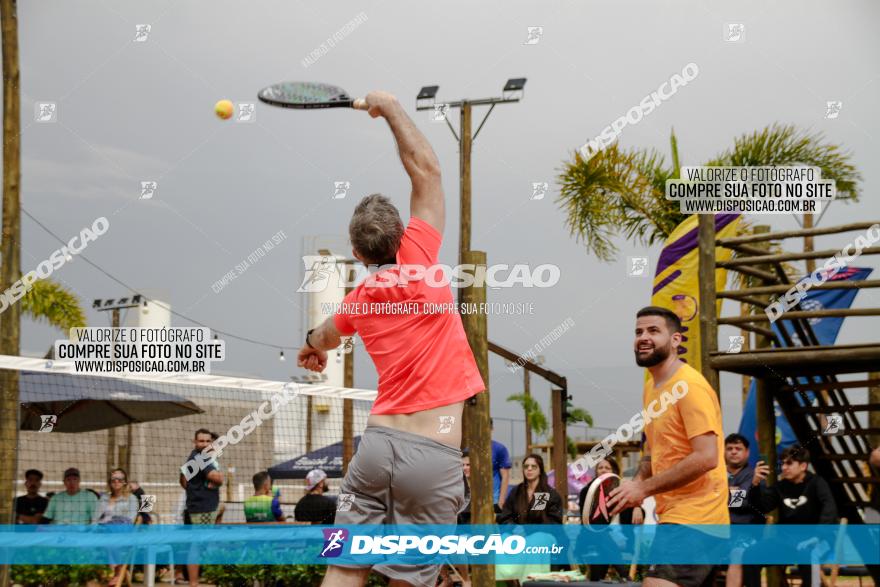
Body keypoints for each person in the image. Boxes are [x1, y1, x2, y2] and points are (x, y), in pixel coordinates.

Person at [296, 90, 485, 587]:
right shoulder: (421, 257)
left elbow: (325, 335)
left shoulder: (358, 300)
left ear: (358, 253)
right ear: (403, 236)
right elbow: (426, 170)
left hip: (375, 449)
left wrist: (312, 346)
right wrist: (391, 109)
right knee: (409, 577)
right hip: (434, 453)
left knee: (344, 565)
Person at [607, 306, 729, 587]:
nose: (643, 337)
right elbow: (655, 448)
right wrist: (637, 483)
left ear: (676, 340)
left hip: (697, 518)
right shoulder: (652, 386)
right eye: (638, 332)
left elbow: (708, 457)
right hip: (678, 518)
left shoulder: (689, 386)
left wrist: (644, 489)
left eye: (653, 331)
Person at [749, 445, 838, 587]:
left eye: (789, 463)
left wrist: (818, 536)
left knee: (807, 555)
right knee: (751, 555)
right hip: (787, 540)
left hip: (817, 539)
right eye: (782, 463)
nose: (784, 467)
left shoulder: (817, 483)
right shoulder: (780, 486)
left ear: (803, 466)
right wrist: (755, 483)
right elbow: (761, 507)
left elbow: (830, 509)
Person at [578, 458, 642, 582]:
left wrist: (637, 507)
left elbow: (637, 510)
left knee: (601, 545)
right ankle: (624, 575)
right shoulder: (587, 491)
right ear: (596, 472)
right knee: (600, 536)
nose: (603, 470)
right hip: (593, 535)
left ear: (614, 471)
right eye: (600, 468)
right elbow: (588, 522)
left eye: (607, 468)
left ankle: (596, 581)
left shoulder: (622, 491)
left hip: (621, 538)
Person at [179, 428, 224, 587]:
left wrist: (195, 488)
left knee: (207, 541)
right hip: (202, 507)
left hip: (203, 505)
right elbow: (216, 477)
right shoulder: (200, 457)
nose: (205, 443)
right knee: (197, 545)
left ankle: (207, 577)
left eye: (207, 441)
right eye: (201, 441)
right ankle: (193, 582)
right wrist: (216, 480)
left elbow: (183, 479)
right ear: (195, 442)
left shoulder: (196, 456)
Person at [723, 434, 764, 587]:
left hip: (745, 533)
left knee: (737, 553)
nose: (733, 452)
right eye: (729, 448)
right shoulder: (716, 474)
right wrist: (730, 491)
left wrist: (721, 494)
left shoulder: (755, 476)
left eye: (738, 449)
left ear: (747, 452)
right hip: (718, 531)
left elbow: (739, 503)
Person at [94, 468, 140, 587]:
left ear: (125, 482)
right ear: (110, 482)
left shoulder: (132, 499)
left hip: (123, 531)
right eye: (114, 479)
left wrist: (110, 523)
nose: (116, 482)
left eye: (120, 479)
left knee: (112, 538)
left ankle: (116, 572)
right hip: (102, 530)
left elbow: (130, 520)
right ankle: (116, 572)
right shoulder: (104, 498)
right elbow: (95, 518)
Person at [498, 454, 564, 525]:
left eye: (534, 466)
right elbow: (505, 517)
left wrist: (530, 531)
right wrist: (513, 527)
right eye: (526, 466)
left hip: (542, 534)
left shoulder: (546, 493)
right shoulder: (516, 492)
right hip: (518, 534)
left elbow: (554, 522)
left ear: (540, 471)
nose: (529, 469)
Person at [491, 419, 512, 512]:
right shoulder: (468, 449)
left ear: (491, 429)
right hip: (472, 500)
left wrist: (501, 501)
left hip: (494, 500)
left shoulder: (499, 449)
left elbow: (505, 475)